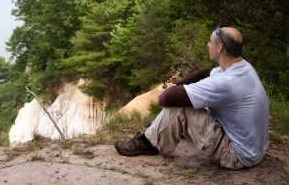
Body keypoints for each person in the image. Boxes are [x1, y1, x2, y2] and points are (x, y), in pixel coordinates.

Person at [114, 26, 269, 169]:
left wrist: (173, 89)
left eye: (210, 42)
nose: (208, 45)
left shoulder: (225, 82)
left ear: (220, 48)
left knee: (180, 109)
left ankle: (148, 143)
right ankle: (157, 130)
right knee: (191, 100)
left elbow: (165, 99)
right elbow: (206, 73)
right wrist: (178, 85)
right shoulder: (243, 68)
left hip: (236, 155)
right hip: (254, 149)